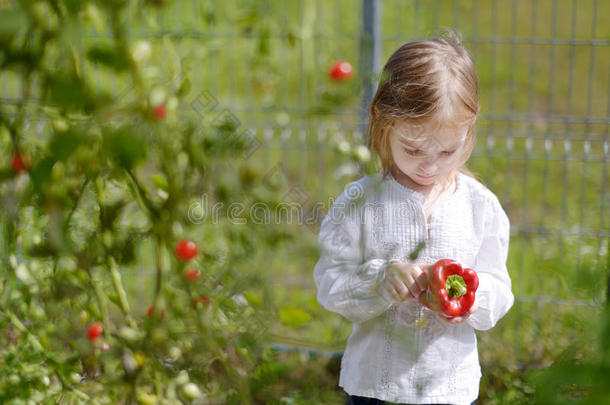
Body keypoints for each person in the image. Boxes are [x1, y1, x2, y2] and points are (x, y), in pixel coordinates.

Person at [313, 31, 514, 405]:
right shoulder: (361, 202)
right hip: (376, 387)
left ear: (468, 133)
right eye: (414, 147)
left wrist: (468, 298)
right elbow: (330, 282)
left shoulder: (479, 207)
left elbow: (499, 293)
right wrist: (379, 279)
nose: (430, 163)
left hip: (450, 389)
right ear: (384, 121)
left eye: (448, 150)